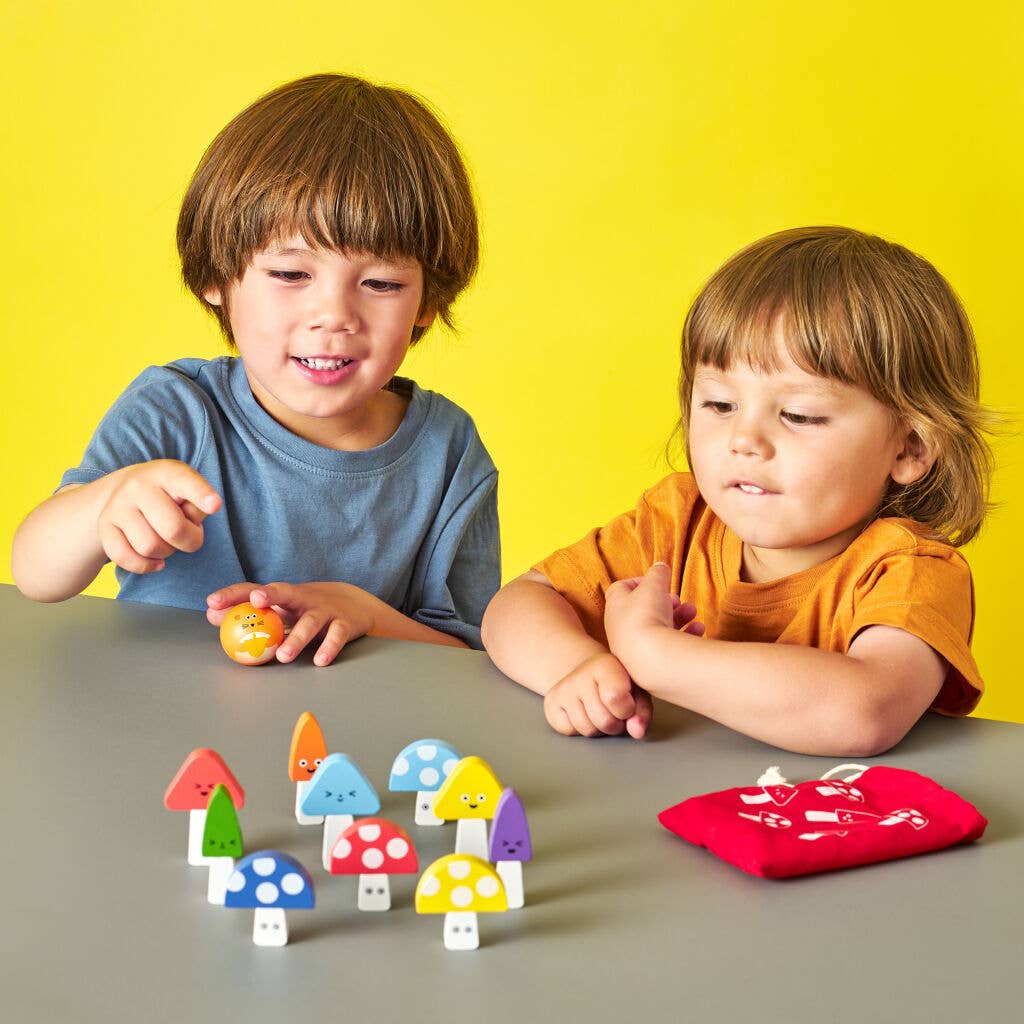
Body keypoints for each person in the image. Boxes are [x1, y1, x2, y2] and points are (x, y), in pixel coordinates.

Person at [12, 73, 499, 663]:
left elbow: (469, 655)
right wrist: (102, 505)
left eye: (380, 282)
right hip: (172, 734)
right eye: (291, 274)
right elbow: (37, 575)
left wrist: (365, 612)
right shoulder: (175, 410)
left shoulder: (448, 450)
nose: (333, 316)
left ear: (426, 301)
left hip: (356, 747)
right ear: (217, 277)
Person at [482, 226, 993, 755]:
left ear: (909, 448)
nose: (745, 440)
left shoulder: (912, 571)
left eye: (799, 414)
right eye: (720, 405)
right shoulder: (678, 519)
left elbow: (865, 712)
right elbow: (517, 605)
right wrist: (579, 669)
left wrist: (655, 656)